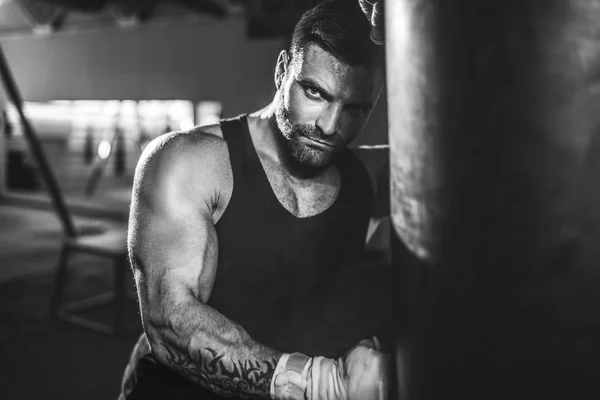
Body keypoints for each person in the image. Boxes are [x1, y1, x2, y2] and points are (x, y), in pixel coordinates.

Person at [118, 2, 392, 399]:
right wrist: (317, 383)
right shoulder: (190, 162)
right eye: (314, 92)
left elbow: (477, 166)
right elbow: (170, 326)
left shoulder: (366, 174)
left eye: (355, 109)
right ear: (282, 71)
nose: (330, 127)